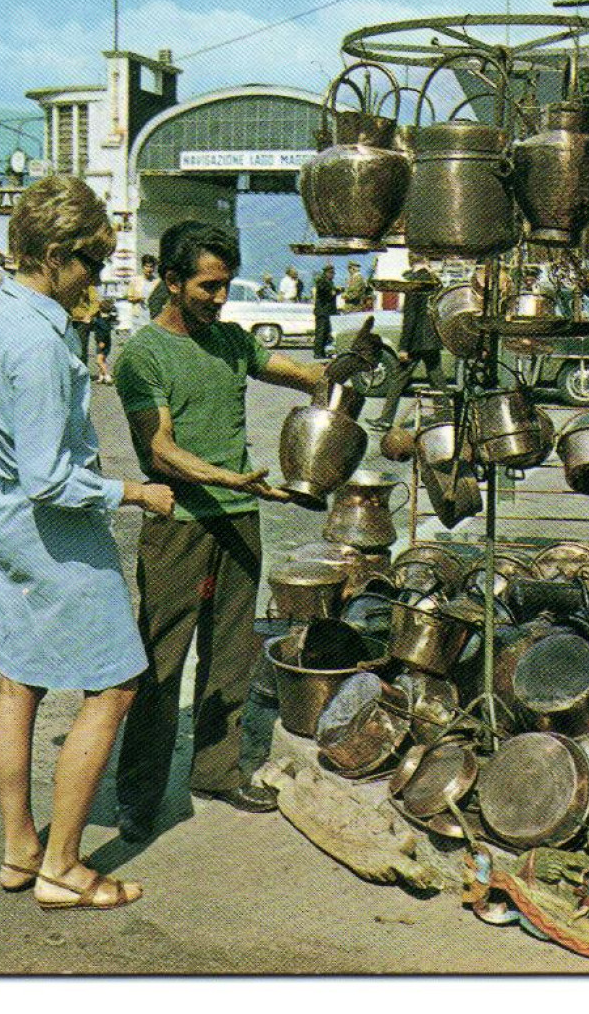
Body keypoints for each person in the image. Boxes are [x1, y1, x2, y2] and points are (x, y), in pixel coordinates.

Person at [0, 174, 174, 911]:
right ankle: (63, 866)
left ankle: (20, 845)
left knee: (19, 679)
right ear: (56, 254)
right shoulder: (42, 340)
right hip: (54, 529)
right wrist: (135, 491)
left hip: (4, 520)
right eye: (90, 261)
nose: (94, 276)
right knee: (117, 681)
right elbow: (52, 480)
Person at [111, 221, 381, 841]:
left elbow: (306, 377)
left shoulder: (234, 342)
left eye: (225, 285)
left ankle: (216, 769)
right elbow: (159, 452)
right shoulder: (143, 356)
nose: (218, 297)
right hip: (180, 521)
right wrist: (232, 481)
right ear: (171, 281)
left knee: (231, 653)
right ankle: (139, 792)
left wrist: (346, 366)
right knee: (160, 662)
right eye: (207, 285)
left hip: (239, 522)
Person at [368, 261, 448, 431]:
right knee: (437, 379)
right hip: (432, 339)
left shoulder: (414, 282)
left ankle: (385, 420)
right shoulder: (435, 281)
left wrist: (403, 347)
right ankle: (445, 417)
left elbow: (410, 317)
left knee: (398, 379)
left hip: (416, 341)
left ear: (412, 262)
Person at [123, 255, 157, 332]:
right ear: (142, 267)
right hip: (137, 316)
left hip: (152, 317)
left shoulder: (157, 282)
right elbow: (129, 298)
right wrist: (138, 299)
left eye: (151, 267)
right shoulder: (135, 280)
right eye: (147, 266)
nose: (149, 269)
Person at [312, 262, 338, 357]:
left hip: (328, 312)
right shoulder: (321, 281)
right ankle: (317, 352)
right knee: (320, 332)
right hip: (322, 311)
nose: (332, 275)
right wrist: (333, 291)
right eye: (331, 273)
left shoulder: (330, 282)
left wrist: (336, 291)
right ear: (326, 273)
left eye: (333, 273)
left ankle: (322, 351)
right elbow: (324, 292)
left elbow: (333, 292)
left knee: (326, 333)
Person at [92, 294, 118, 384]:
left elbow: (104, 332)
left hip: (102, 342)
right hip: (106, 342)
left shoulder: (102, 321)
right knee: (103, 360)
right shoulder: (106, 318)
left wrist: (101, 342)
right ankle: (101, 377)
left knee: (98, 361)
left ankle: (108, 376)